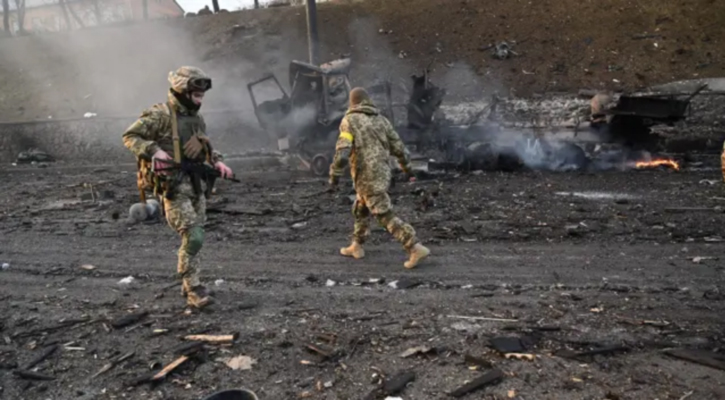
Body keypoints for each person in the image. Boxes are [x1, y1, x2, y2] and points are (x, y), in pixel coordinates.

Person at [122, 66, 233, 309]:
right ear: (182, 90)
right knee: (193, 235)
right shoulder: (160, 115)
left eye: (202, 93)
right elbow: (130, 136)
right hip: (173, 185)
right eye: (196, 93)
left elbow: (204, 145)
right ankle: (192, 287)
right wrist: (155, 151)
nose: (200, 98)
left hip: (196, 185)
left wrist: (218, 161)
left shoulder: (196, 118)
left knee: (198, 235)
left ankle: (191, 282)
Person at [329, 87, 430, 269]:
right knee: (361, 208)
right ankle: (357, 245)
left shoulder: (349, 121)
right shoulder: (381, 120)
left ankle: (414, 247)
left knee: (384, 214)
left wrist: (334, 176)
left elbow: (343, 153)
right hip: (382, 173)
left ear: (352, 103)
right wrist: (408, 170)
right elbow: (399, 148)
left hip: (367, 177)